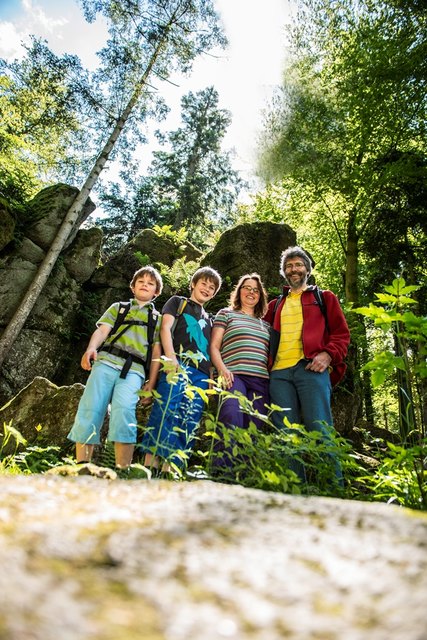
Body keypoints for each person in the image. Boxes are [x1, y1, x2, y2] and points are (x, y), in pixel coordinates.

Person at [264, 246, 350, 485]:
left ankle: (335, 492)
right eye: (289, 266)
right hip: (279, 374)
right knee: (286, 435)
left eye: (298, 265)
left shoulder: (324, 298)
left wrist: (328, 355)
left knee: (320, 429)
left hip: (311, 370)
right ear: (284, 272)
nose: (294, 269)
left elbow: (342, 334)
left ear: (307, 270)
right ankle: (295, 494)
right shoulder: (274, 305)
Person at [68, 266, 163, 469]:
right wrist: (91, 348)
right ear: (133, 287)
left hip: (135, 371)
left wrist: (151, 383)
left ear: (156, 292)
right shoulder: (119, 308)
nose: (145, 285)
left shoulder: (158, 319)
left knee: (125, 412)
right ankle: (83, 466)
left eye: (150, 283)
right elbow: (103, 331)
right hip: (105, 362)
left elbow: (156, 354)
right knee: (91, 407)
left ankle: (122, 470)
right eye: (141, 281)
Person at [140, 266, 222, 474]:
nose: (207, 288)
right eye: (203, 283)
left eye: (211, 287)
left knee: (190, 416)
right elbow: (165, 329)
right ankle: (150, 466)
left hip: (201, 374)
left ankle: (171, 469)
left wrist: (211, 377)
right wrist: (171, 358)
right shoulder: (178, 302)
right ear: (193, 284)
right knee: (167, 408)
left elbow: (210, 349)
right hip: (178, 363)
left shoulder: (210, 319)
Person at [210, 273, 270, 431]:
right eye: (247, 288)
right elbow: (214, 346)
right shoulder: (226, 314)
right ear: (239, 291)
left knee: (253, 427)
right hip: (233, 376)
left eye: (256, 290)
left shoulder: (266, 325)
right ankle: (223, 457)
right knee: (230, 415)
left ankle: (245, 457)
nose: (251, 292)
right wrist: (222, 370)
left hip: (261, 380)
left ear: (261, 296)